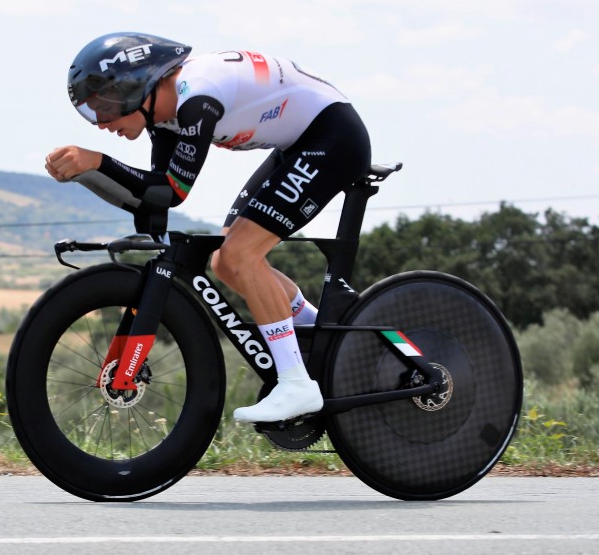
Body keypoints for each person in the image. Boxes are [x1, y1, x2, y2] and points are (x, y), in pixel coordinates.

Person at [45, 32, 371, 423]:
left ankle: (296, 384)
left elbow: (172, 191)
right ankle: (324, 338)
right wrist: (90, 174)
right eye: (94, 110)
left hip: (333, 138)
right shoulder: (163, 114)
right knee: (226, 263)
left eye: (106, 106)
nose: (102, 122)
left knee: (241, 255)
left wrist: (98, 162)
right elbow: (155, 197)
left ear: (138, 89)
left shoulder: (196, 98)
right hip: (303, 141)